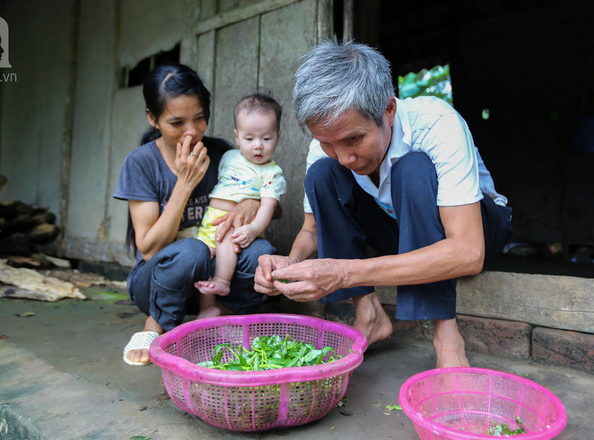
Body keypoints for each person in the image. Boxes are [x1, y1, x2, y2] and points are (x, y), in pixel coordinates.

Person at [254, 40, 513, 369]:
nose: (345, 157)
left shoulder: (436, 123)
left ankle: (447, 337)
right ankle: (369, 312)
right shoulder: (327, 149)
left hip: (477, 230)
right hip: (400, 229)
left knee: (412, 169)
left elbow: (468, 253)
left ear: (388, 110)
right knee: (322, 174)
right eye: (328, 143)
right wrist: (289, 263)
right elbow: (313, 229)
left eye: (354, 139)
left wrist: (345, 272)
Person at [114, 62, 276, 366]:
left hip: (215, 282)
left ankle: (225, 317)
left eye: (200, 118)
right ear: (153, 118)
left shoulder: (222, 154)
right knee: (192, 251)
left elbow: (272, 204)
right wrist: (184, 184)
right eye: (177, 123)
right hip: (157, 283)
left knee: (260, 251)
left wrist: (252, 203)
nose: (192, 131)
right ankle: (157, 326)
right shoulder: (141, 163)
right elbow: (148, 248)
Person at [194, 90, 287, 296]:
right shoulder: (228, 157)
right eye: (249, 138)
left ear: (278, 137)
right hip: (211, 222)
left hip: (240, 225)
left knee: (227, 245)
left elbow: (268, 208)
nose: (258, 145)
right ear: (237, 137)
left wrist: (253, 229)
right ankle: (208, 306)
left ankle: (222, 281)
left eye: (266, 138)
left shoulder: (272, 173)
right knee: (201, 261)